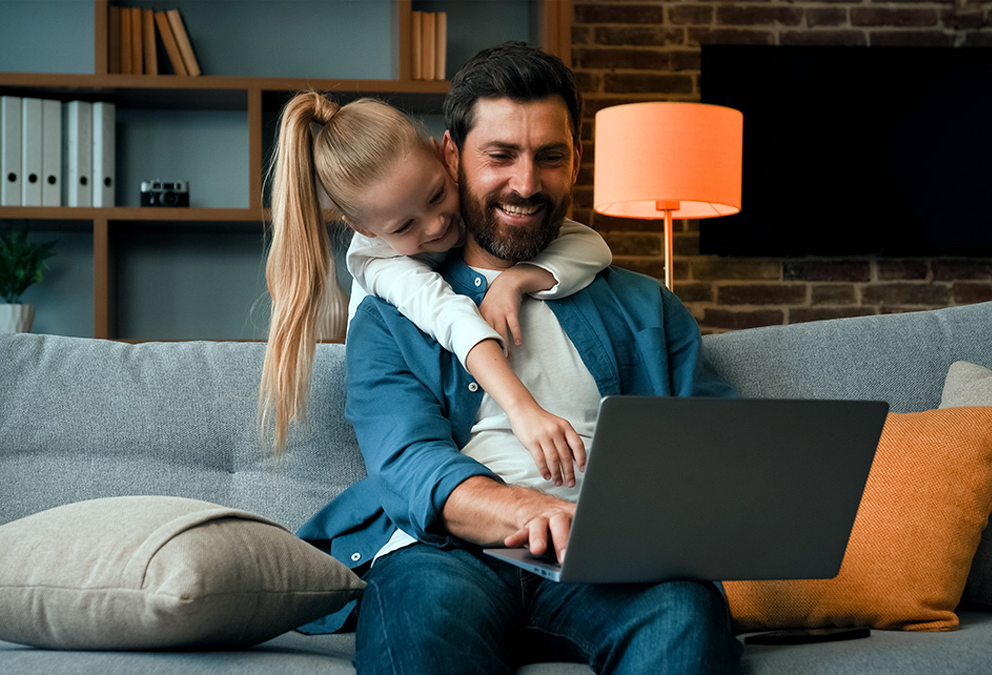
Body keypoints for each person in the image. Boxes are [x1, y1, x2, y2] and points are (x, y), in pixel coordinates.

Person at [298, 42, 743, 674]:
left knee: (683, 614)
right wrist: (536, 510)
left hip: (608, 558)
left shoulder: (646, 306)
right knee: (420, 629)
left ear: (576, 162)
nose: (526, 184)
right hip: (446, 554)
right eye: (500, 155)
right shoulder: (393, 312)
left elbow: (719, 444)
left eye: (550, 157)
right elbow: (408, 463)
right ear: (449, 156)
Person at [260, 91, 612, 487]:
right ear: (366, 230)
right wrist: (523, 409)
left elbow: (590, 243)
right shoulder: (378, 265)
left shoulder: (470, 201)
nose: (436, 225)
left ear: (443, 155)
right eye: (404, 227)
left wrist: (516, 280)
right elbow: (453, 319)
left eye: (437, 195)